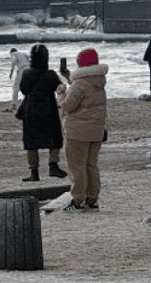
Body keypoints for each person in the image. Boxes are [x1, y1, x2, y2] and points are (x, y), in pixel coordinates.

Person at [58, 48, 106, 211]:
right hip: (96, 131)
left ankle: (78, 200)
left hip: (77, 132)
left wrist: (61, 94)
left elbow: (67, 107)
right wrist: (69, 79)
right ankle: (92, 199)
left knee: (77, 166)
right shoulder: (99, 82)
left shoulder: (80, 84)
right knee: (91, 165)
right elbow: (84, 95)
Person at [18, 43, 66, 181]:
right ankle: (53, 166)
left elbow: (24, 90)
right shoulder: (50, 74)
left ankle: (34, 172)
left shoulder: (26, 73)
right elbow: (59, 88)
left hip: (31, 111)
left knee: (31, 143)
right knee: (55, 139)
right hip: (48, 110)